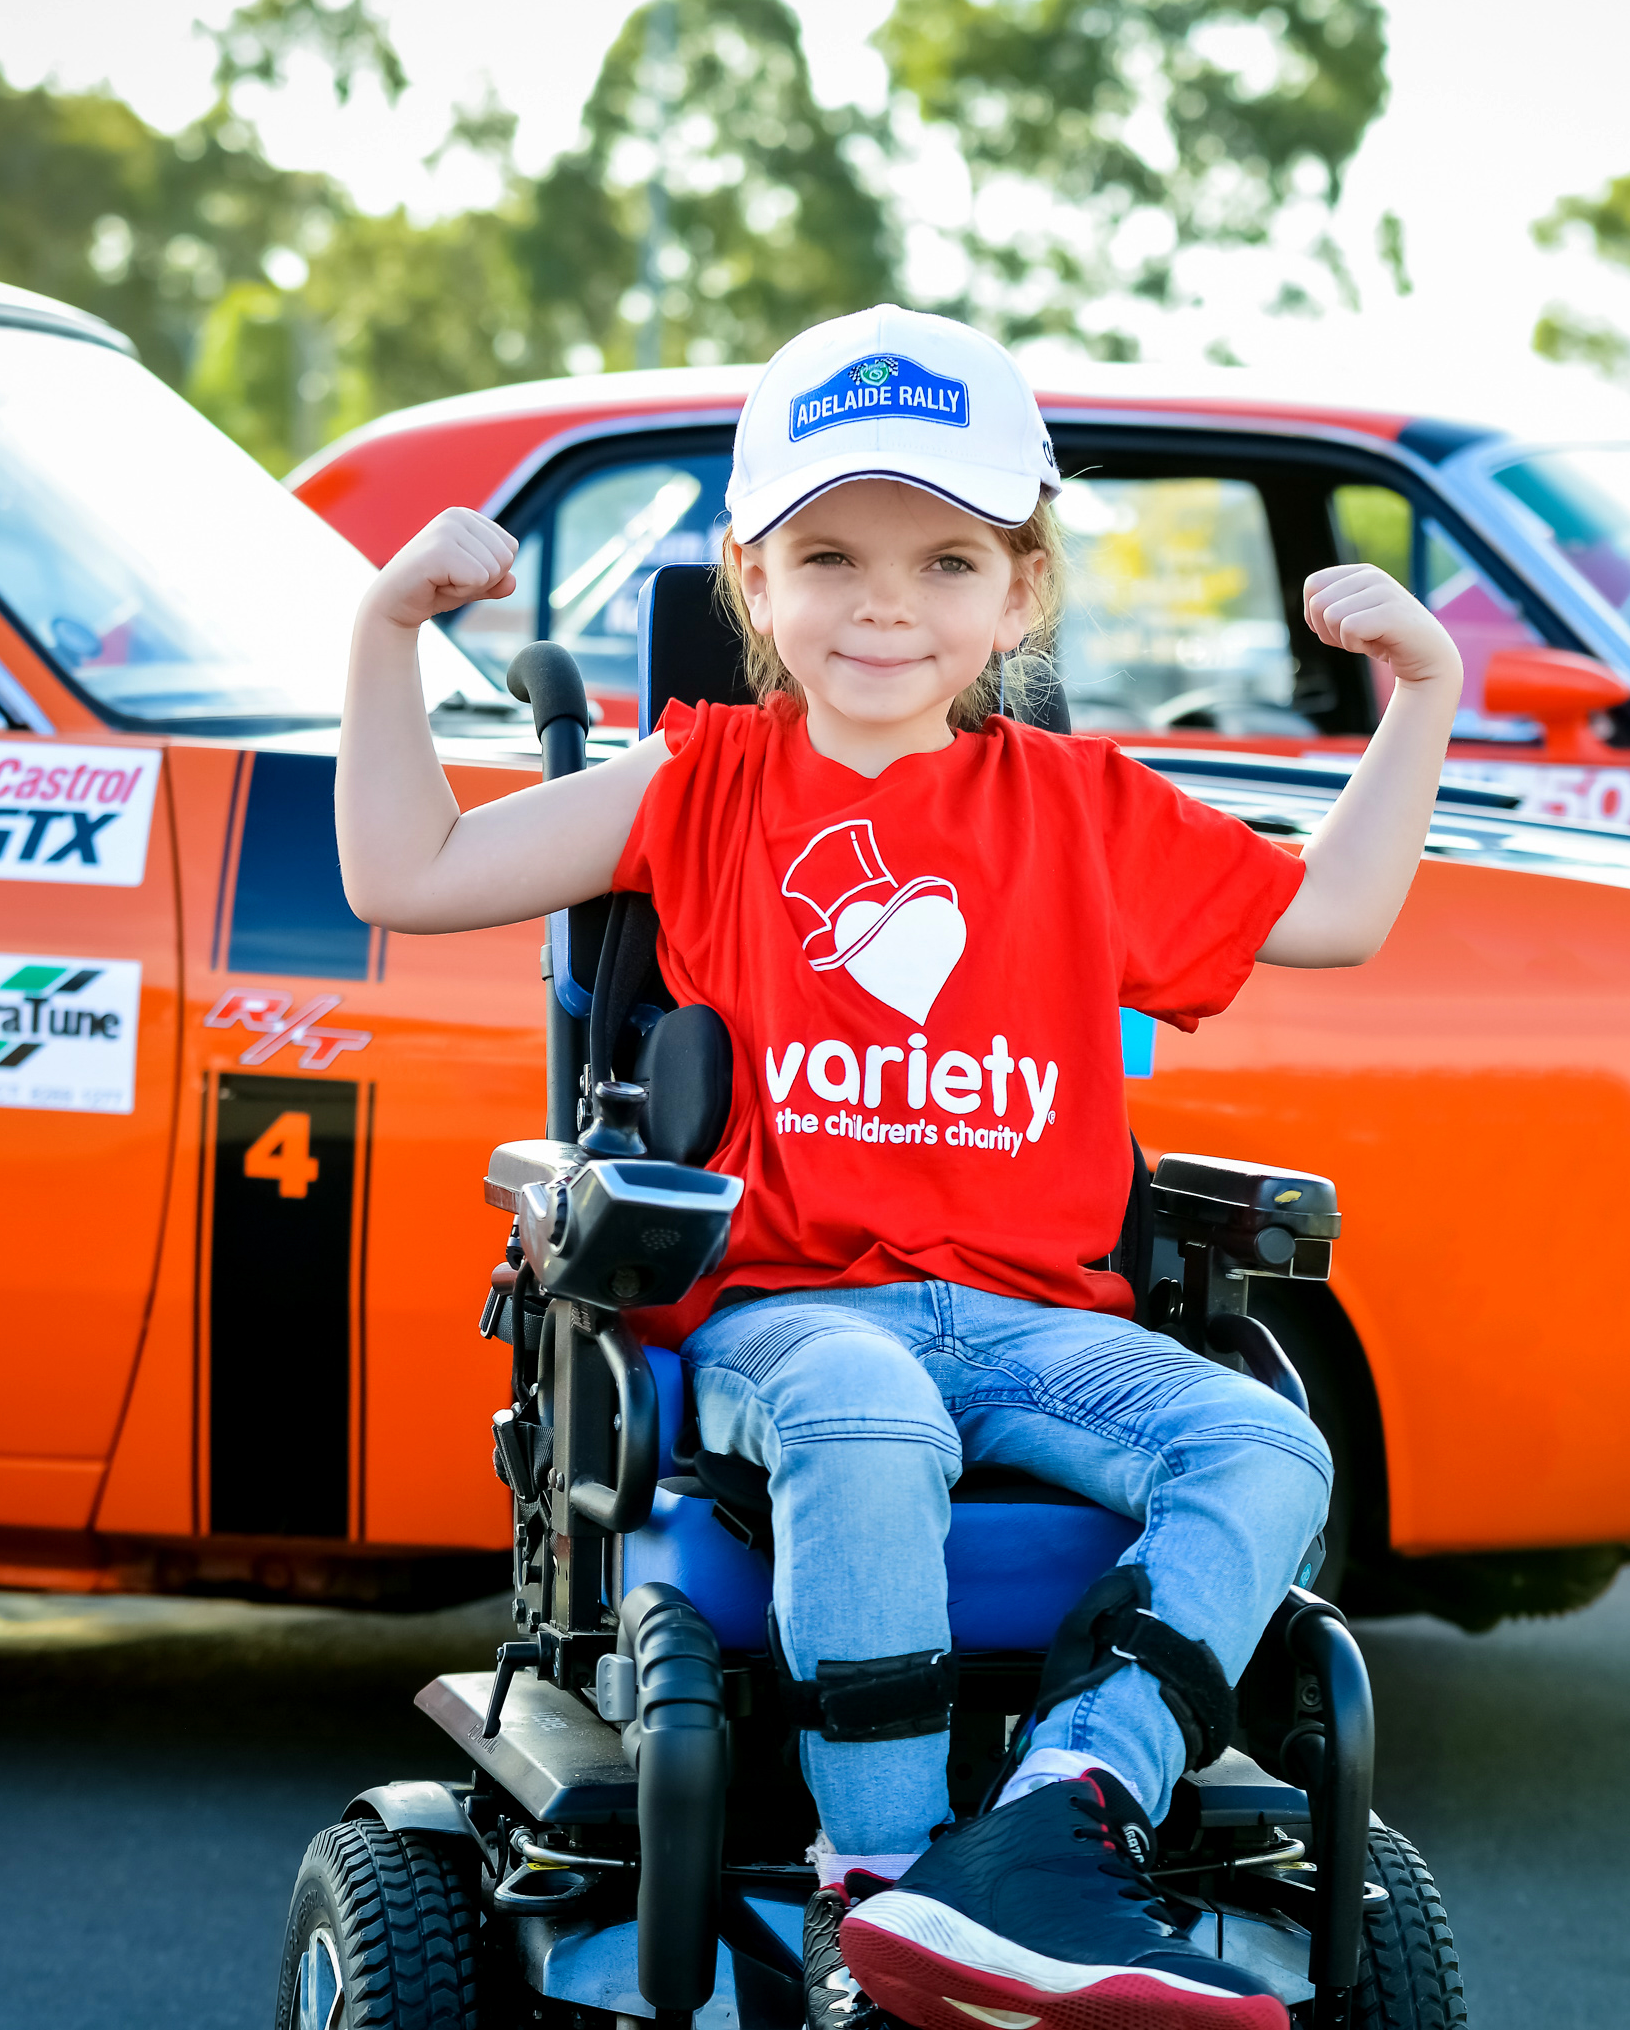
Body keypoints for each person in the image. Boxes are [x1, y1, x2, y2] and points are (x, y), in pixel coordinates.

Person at [338, 306, 1461, 2030]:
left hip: (1030, 1318)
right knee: (870, 1399)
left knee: (1263, 1434)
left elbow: (1338, 911)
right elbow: (408, 869)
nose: (884, 600)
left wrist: (1426, 693)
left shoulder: (1081, 807)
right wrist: (381, 625)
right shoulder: (699, 783)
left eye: (945, 559)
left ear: (1017, 595)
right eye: (831, 553)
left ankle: (1046, 1825)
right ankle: (882, 1900)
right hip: (788, 1316)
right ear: (754, 577)